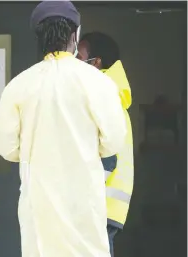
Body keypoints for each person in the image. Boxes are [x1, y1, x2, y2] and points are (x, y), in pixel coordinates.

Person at [0, 1, 127, 257]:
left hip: (38, 205)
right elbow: (114, 141)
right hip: (84, 202)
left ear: (39, 36)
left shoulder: (19, 86)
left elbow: (7, 148)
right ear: (75, 34)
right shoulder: (99, 83)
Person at [77, 32, 134, 257]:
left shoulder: (106, 99)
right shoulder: (110, 96)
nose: (74, 64)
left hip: (98, 208)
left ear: (96, 62)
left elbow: (108, 157)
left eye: (79, 58)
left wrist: (79, 196)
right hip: (103, 208)